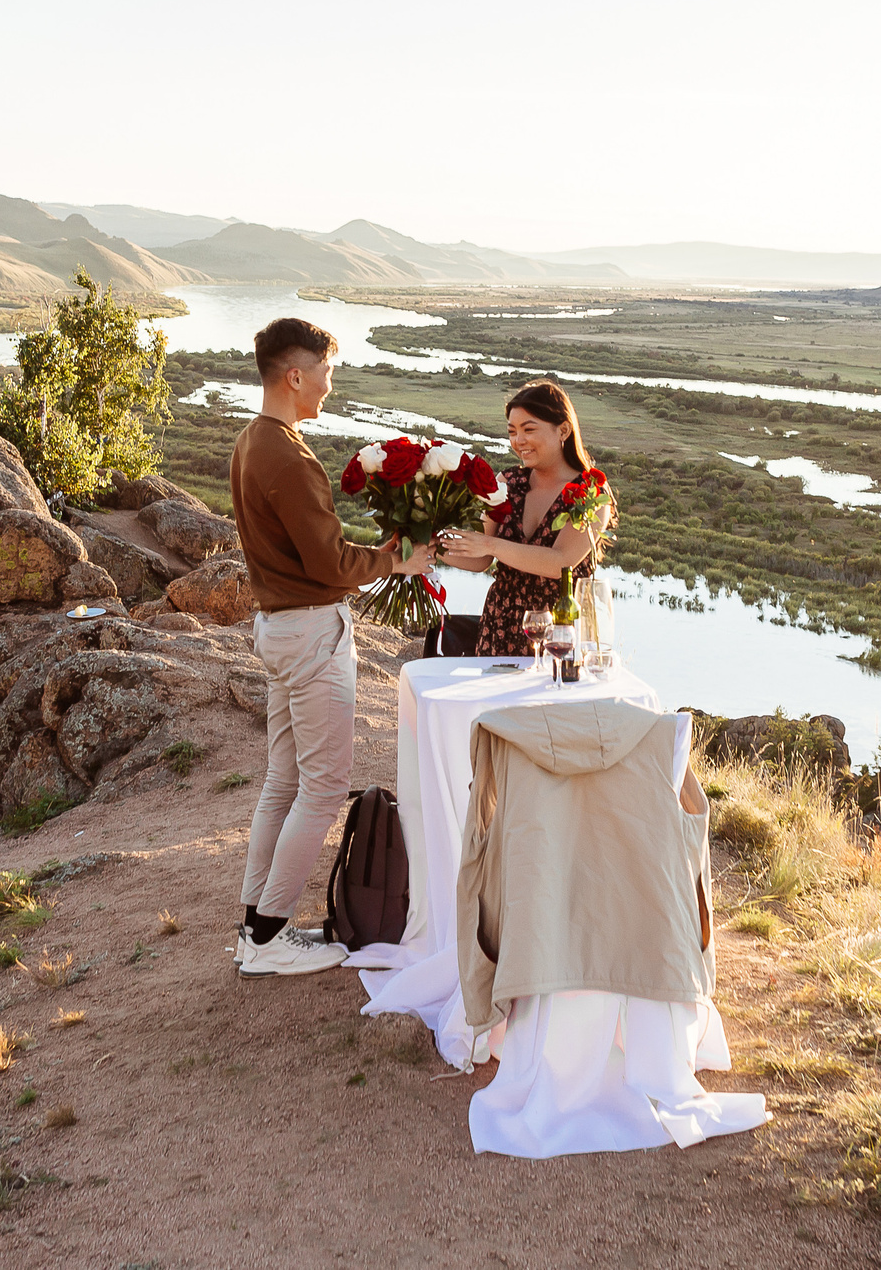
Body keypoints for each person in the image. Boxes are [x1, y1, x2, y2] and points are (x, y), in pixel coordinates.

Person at [227, 316, 434, 978]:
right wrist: (394, 560)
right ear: (295, 374)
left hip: (280, 628)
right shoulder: (287, 455)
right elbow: (327, 561)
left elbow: (310, 552)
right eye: (326, 372)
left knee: (284, 781)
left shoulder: (252, 441)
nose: (329, 384)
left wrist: (376, 554)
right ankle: (268, 938)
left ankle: (255, 929)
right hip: (311, 630)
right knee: (321, 788)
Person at [437, 379, 614, 657]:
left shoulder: (590, 491)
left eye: (528, 429)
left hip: (560, 634)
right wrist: (426, 543)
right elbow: (479, 558)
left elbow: (561, 562)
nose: (518, 441)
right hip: (499, 628)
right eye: (512, 431)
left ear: (563, 430)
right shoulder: (507, 482)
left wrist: (491, 545)